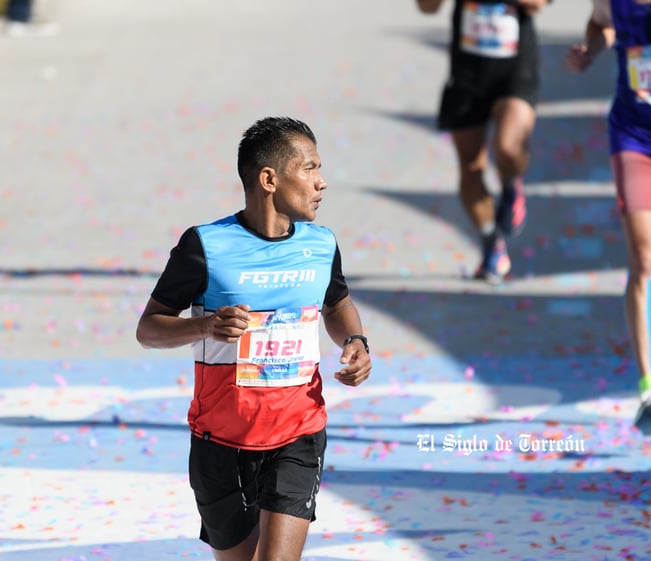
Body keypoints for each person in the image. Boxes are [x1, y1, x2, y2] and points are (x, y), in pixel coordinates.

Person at [135, 116, 372, 561]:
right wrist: (204, 326)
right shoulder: (204, 246)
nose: (321, 183)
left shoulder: (321, 245)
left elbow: (336, 303)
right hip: (220, 443)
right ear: (269, 179)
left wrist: (355, 340)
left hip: (298, 432)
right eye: (310, 168)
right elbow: (149, 328)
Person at [567, 0, 651, 435]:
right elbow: (600, 23)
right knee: (645, 261)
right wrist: (591, 49)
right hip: (635, 139)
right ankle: (649, 392)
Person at [416, 0, 552, 282]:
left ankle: (512, 185)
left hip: (515, 69)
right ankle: (491, 240)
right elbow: (426, 7)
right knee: (470, 167)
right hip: (468, 74)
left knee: (508, 147)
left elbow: (537, 4)